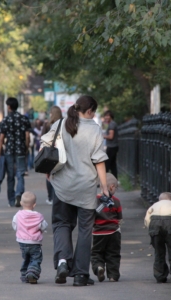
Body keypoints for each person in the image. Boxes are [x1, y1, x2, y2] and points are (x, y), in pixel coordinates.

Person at [40, 95, 109, 287]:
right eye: (94, 111)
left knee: (62, 224)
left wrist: (48, 170)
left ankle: (63, 261)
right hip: (86, 187)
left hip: (62, 185)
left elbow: (45, 146)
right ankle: (80, 274)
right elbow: (99, 160)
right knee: (85, 230)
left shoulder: (60, 124)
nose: (94, 115)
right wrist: (104, 187)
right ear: (89, 111)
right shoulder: (94, 129)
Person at [0, 97, 31, 207]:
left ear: (9, 107)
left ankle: (11, 200)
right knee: (20, 174)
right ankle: (19, 194)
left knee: (10, 176)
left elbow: (1, 138)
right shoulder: (24, 119)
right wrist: (26, 148)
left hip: (9, 151)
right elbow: (27, 136)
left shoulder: (6, 120)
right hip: (20, 150)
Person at [144, 192, 171, 283]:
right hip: (170, 223)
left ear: (160, 200)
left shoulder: (154, 205)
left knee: (159, 252)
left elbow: (147, 219)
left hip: (154, 224)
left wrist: (151, 232)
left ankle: (160, 276)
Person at [91, 173, 122, 283]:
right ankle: (113, 276)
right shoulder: (116, 201)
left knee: (96, 253)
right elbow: (119, 218)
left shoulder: (93, 201)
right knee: (113, 254)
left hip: (98, 232)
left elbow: (91, 217)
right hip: (113, 232)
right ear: (112, 186)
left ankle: (99, 267)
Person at [12, 191, 48, 284]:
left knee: (26, 258)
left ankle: (24, 275)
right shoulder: (38, 216)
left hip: (22, 242)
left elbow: (15, 226)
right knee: (35, 258)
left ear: (21, 203)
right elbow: (43, 226)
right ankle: (32, 273)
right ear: (34, 204)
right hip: (35, 242)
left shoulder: (18, 215)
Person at [41, 105, 62, 205]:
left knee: (49, 175)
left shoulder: (48, 125)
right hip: (61, 153)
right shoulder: (64, 124)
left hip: (49, 154)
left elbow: (42, 138)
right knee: (60, 174)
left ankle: (50, 197)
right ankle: (58, 196)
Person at [103, 110, 119, 179]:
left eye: (107, 116)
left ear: (111, 116)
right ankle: (114, 179)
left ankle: (104, 180)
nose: (106, 117)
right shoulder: (112, 124)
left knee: (107, 165)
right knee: (112, 165)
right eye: (105, 116)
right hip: (114, 146)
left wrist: (102, 136)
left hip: (111, 147)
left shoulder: (112, 124)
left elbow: (111, 136)